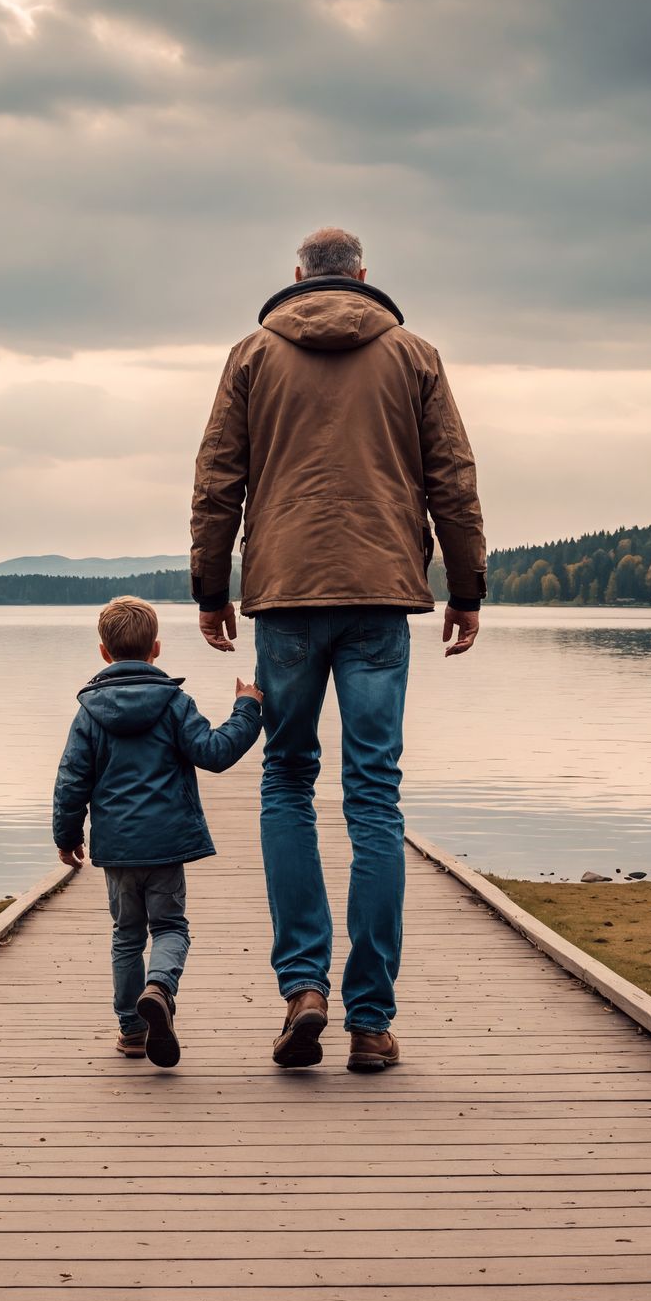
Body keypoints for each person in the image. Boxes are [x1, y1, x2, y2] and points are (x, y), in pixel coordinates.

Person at [190, 226, 487, 1072]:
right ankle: (373, 1020)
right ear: (362, 276)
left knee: (286, 779)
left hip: (284, 597)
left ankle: (303, 989)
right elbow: (453, 480)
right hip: (381, 597)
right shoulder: (414, 354)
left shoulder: (251, 355)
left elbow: (217, 481)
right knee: (374, 795)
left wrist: (212, 589)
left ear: (295, 278)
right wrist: (465, 590)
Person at [53, 595, 263, 1068]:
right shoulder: (175, 704)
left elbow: (71, 780)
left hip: (118, 849)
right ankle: (160, 988)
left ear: (104, 653)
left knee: (126, 936)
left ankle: (131, 1030)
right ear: (158, 649)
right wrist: (247, 708)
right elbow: (214, 753)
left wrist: (67, 836)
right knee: (169, 927)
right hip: (167, 844)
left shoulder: (89, 713)